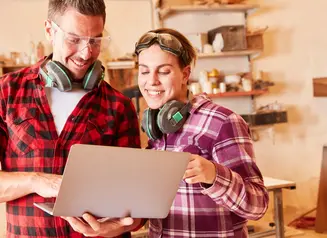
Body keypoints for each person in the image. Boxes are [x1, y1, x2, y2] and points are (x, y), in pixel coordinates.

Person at [0, 0, 144, 237]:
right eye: (74, 39)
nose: (86, 53)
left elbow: (136, 205)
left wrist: (120, 226)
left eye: (95, 41)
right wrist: (36, 181)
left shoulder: (119, 106)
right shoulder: (7, 93)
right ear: (49, 30)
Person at [134, 28, 269, 237]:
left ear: (185, 74)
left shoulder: (223, 121)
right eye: (144, 71)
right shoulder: (156, 127)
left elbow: (258, 205)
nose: (151, 81)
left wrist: (214, 175)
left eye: (163, 71)